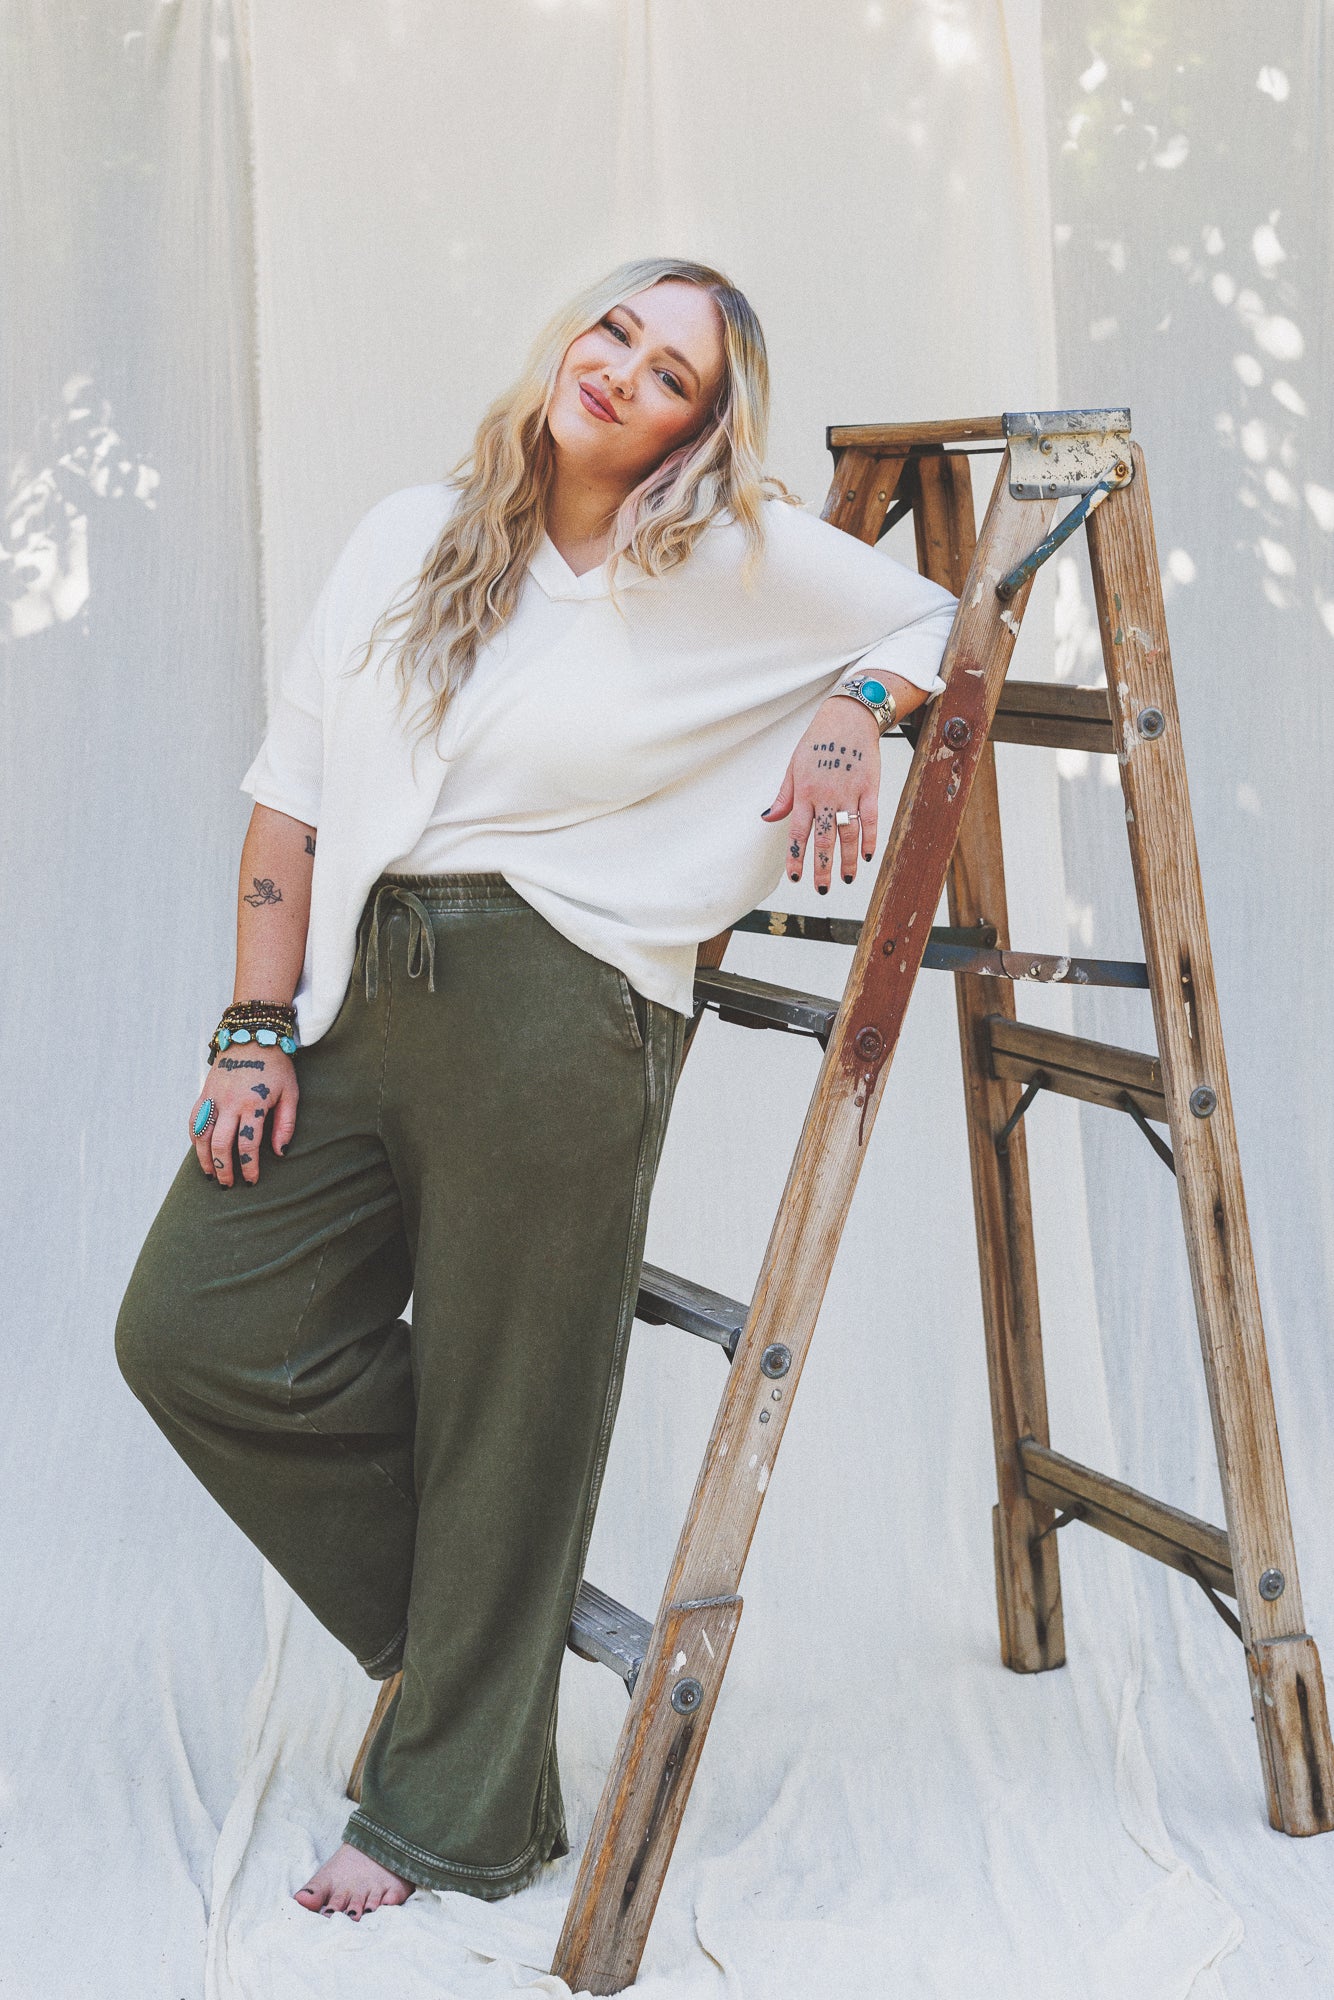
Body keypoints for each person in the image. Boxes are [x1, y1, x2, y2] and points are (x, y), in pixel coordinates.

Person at [115, 256, 957, 1922]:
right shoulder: (401, 537)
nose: (622, 373)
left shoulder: (719, 559)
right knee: (193, 1331)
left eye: (668, 376)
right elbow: (287, 805)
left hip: (563, 1009)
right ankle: (456, 1676)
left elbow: (923, 612)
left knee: (515, 1414)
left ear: (693, 432)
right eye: (617, 332)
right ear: (571, 335)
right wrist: (251, 1030)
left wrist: (858, 713)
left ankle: (452, 1819)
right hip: (364, 995)